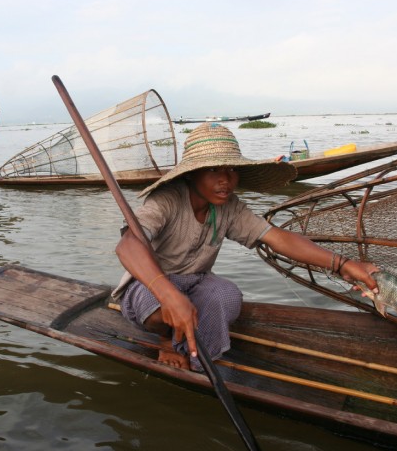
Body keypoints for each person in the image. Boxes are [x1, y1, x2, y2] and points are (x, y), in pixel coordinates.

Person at [113, 122, 379, 371]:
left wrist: (342, 265)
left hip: (196, 282)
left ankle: (194, 354)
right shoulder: (166, 200)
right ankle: (167, 340)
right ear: (193, 173)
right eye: (214, 169)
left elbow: (276, 237)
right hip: (149, 285)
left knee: (227, 294)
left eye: (231, 170)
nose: (225, 180)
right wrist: (169, 294)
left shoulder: (229, 207)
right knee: (158, 304)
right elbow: (128, 245)